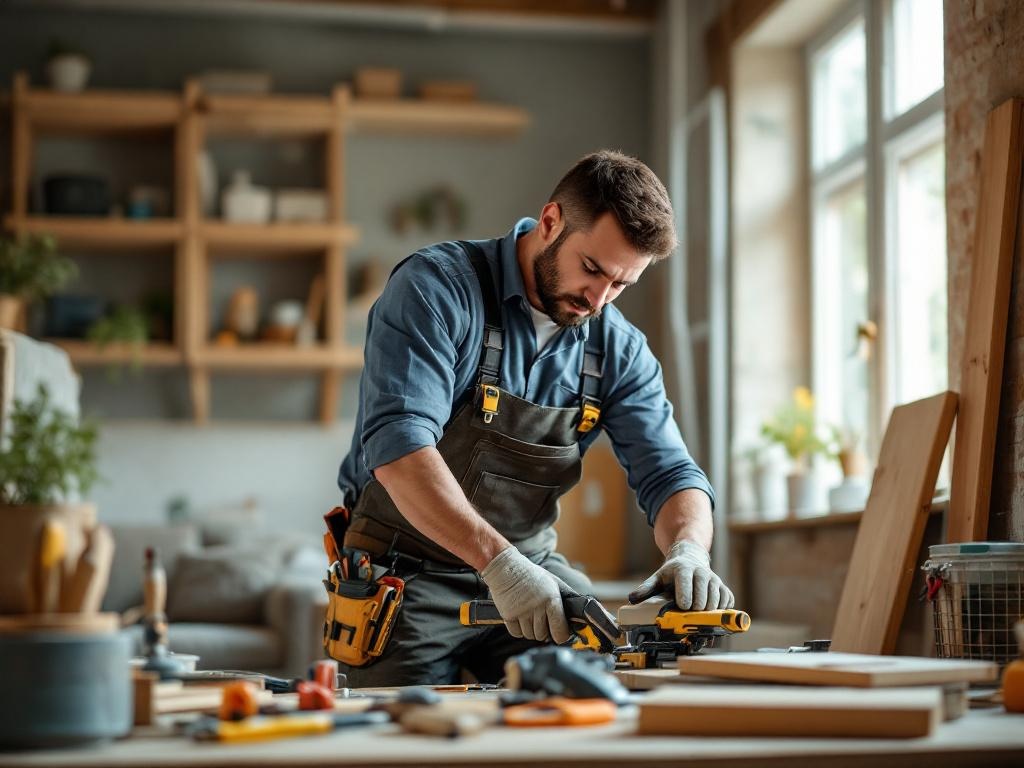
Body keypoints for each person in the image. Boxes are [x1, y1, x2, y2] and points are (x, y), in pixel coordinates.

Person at [335, 149, 733, 687]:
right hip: (406, 576)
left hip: (533, 573)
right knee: (403, 735)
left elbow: (671, 475)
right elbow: (401, 451)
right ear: (550, 222)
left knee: (600, 690)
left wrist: (688, 548)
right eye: (591, 269)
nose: (598, 300)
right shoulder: (437, 290)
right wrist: (497, 564)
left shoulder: (618, 348)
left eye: (620, 285)